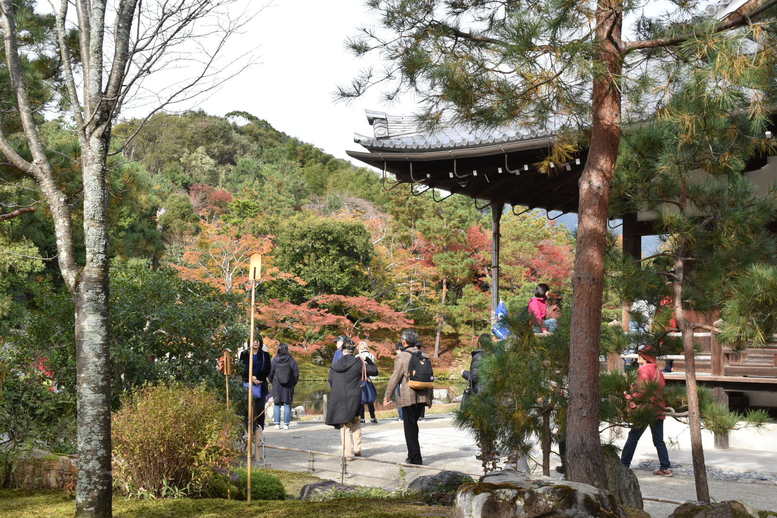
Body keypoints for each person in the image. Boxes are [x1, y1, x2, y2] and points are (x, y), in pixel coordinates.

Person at [620, 345, 673, 477]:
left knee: (633, 437)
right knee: (658, 440)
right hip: (658, 408)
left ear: (644, 357)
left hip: (645, 409)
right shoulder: (658, 371)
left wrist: (629, 397)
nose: (638, 358)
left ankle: (623, 465)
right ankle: (665, 467)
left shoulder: (643, 370)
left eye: (639, 355)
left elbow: (642, 391)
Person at [384, 328, 433, 465]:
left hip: (409, 396)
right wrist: (430, 399)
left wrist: (387, 396)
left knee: (409, 427)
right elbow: (430, 377)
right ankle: (412, 454)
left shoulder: (402, 356)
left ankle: (415, 458)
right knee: (414, 426)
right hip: (423, 395)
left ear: (404, 342)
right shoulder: (424, 355)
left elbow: (395, 378)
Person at [326, 339, 378, 458]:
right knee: (355, 422)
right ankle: (357, 448)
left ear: (342, 350)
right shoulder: (358, 363)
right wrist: (368, 360)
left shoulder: (335, 365)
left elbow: (331, 381)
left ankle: (347, 453)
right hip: (355, 397)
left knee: (344, 426)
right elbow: (374, 371)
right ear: (353, 350)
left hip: (339, 398)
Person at [240, 336, 272, 433]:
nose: (255, 343)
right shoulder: (244, 354)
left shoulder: (265, 355)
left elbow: (267, 369)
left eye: (257, 341)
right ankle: (248, 430)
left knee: (260, 408)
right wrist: (251, 377)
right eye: (253, 341)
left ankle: (259, 430)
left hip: (260, 384)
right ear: (249, 342)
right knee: (247, 408)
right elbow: (241, 368)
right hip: (248, 384)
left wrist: (258, 378)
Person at [269, 343, 299, 430]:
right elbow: (296, 373)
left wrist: (272, 382)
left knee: (277, 404)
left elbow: (270, 373)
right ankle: (286, 424)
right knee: (287, 404)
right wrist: (293, 383)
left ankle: (277, 424)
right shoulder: (291, 360)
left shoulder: (274, 360)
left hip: (276, 385)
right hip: (288, 386)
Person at [357, 341, 378, 424]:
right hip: (369, 379)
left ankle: (362, 418)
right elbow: (373, 368)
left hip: (360, 380)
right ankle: (373, 417)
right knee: (370, 399)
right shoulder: (371, 356)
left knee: (361, 400)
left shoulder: (357, 356)